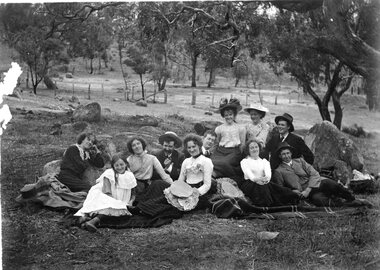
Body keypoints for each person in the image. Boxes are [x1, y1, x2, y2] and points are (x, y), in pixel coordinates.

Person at [272, 142, 356, 207]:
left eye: (288, 153)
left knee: (330, 183)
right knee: (319, 200)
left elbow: (314, 173)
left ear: (291, 153)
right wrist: (292, 191)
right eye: (283, 154)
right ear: (280, 156)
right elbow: (281, 188)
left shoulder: (300, 161)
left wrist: (308, 189)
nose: (286, 156)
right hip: (304, 193)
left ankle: (351, 198)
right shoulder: (279, 171)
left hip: (316, 183)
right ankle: (343, 204)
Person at [75, 154, 137, 232]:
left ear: (126, 164)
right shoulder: (109, 173)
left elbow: (133, 192)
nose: (119, 167)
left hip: (121, 200)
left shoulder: (130, 175)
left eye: (121, 164)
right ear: (113, 166)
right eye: (116, 165)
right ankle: (91, 220)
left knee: (120, 210)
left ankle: (87, 222)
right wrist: (114, 203)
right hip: (106, 196)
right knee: (110, 207)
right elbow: (107, 191)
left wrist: (131, 201)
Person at [239, 140, 300, 207]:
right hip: (250, 184)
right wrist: (257, 180)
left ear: (259, 148)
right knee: (263, 190)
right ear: (248, 150)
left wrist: (265, 180)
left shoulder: (264, 161)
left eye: (256, 147)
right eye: (252, 148)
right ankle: (266, 204)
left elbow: (268, 175)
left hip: (264, 182)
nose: (254, 149)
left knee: (285, 192)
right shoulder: (244, 161)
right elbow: (249, 174)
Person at [126, 137, 173, 202]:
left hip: (148, 186)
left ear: (142, 144)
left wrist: (173, 185)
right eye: (133, 145)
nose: (137, 146)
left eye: (138, 143)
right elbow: (127, 177)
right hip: (135, 187)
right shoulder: (129, 160)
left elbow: (163, 175)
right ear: (131, 148)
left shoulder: (152, 158)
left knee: (159, 184)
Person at [176, 134, 215, 209]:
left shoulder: (206, 161)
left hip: (200, 192)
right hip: (186, 190)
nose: (191, 150)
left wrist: (194, 194)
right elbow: (180, 180)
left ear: (199, 146)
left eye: (194, 146)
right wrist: (178, 192)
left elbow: (207, 185)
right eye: (189, 147)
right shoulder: (186, 161)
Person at [211, 98, 246, 178]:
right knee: (210, 161)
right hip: (220, 151)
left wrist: (241, 156)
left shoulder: (240, 128)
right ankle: (216, 174)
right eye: (226, 115)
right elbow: (217, 142)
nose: (228, 117)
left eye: (230, 114)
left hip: (234, 151)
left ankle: (229, 175)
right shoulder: (219, 128)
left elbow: (242, 144)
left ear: (234, 115)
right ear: (223, 116)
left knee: (225, 163)